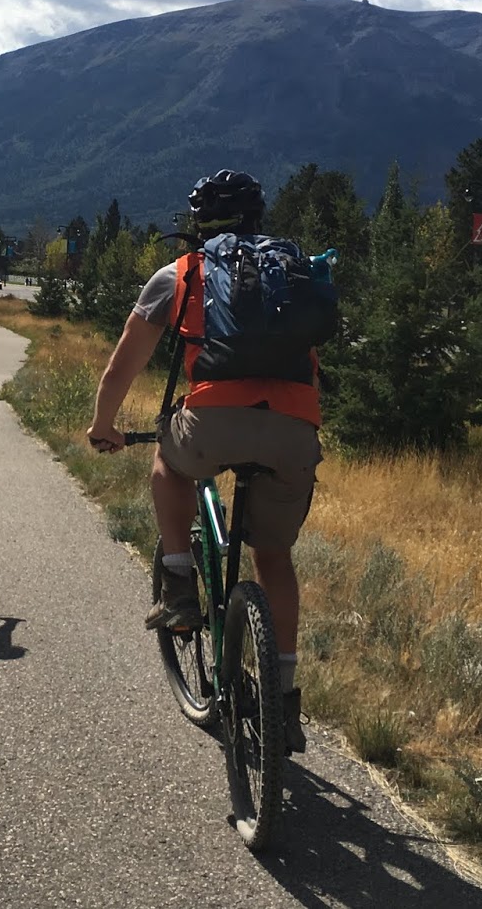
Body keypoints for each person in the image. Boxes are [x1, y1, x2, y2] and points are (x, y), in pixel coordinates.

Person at [83, 170, 321, 753]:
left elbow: (123, 365)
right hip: (295, 428)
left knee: (169, 464)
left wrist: (104, 425)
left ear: (197, 223)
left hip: (212, 422)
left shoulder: (182, 273)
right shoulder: (292, 273)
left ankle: (179, 586)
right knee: (274, 558)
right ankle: (284, 700)